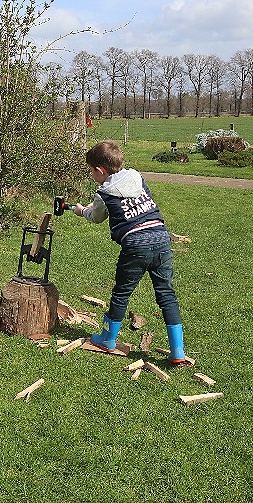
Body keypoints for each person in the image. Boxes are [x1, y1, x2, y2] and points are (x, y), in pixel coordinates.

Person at [73, 140, 192, 366]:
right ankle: (178, 351)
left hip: (136, 246)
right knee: (167, 295)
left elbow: (96, 216)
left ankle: (108, 339)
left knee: (121, 293)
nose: (91, 175)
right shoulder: (136, 177)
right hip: (161, 240)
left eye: (91, 171)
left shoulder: (104, 192)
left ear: (100, 170)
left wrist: (81, 211)